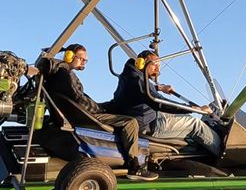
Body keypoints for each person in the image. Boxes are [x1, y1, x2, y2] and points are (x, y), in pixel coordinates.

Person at [37, 44, 157, 180]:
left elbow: (79, 98)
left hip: (79, 114)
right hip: (87, 116)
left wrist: (103, 105)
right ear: (69, 56)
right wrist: (101, 108)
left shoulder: (59, 74)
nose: (84, 62)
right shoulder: (66, 75)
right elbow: (80, 100)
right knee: (131, 122)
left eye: (85, 60)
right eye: (81, 58)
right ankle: (135, 166)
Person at [102, 50, 223, 156]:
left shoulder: (131, 73)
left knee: (185, 117)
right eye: (155, 65)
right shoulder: (137, 82)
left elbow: (143, 92)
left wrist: (158, 87)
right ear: (141, 62)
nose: (158, 70)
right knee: (195, 123)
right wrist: (196, 108)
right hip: (147, 125)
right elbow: (159, 103)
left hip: (147, 115)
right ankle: (223, 153)